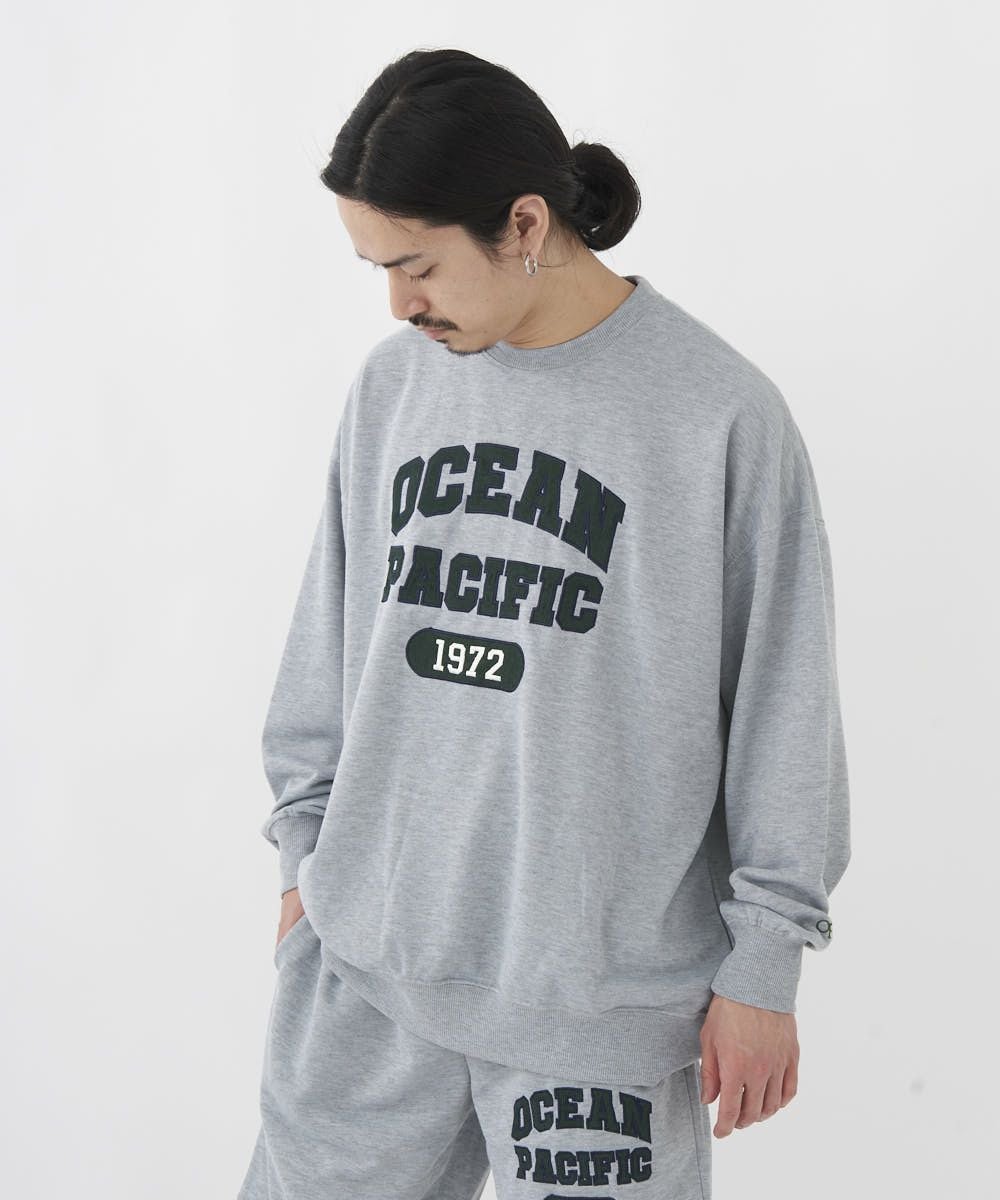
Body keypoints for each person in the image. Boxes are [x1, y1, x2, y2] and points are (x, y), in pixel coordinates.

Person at [237, 46, 851, 1200]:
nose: (398, 303)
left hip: (595, 1014)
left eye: (417, 264)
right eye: (376, 268)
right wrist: (303, 859)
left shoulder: (717, 415)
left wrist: (764, 965)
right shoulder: (392, 389)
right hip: (365, 976)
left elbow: (786, 702)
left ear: (524, 223)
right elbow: (328, 645)